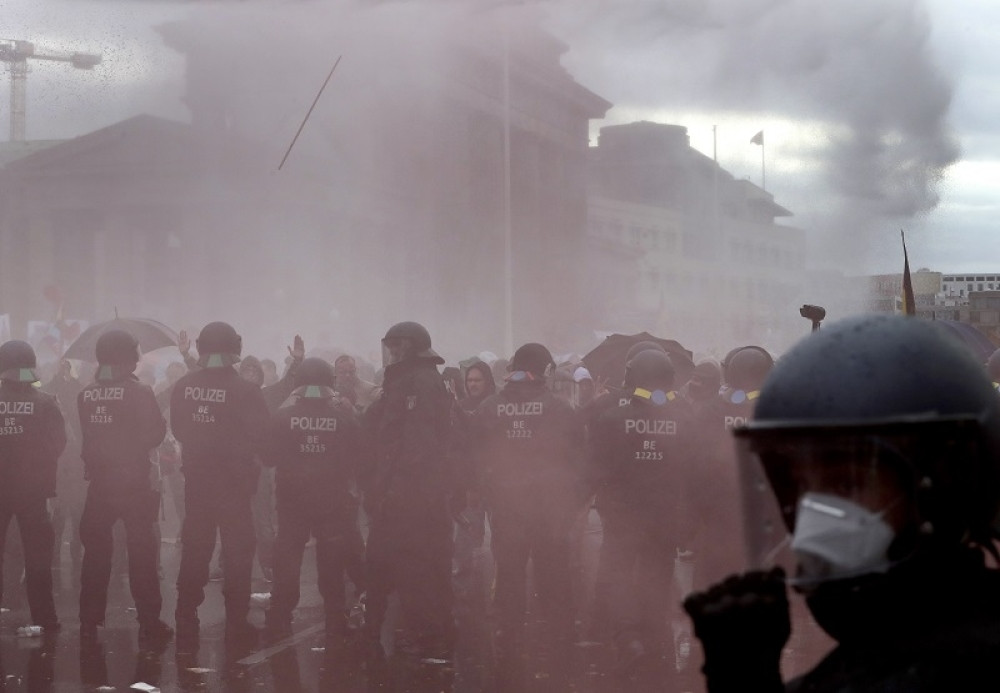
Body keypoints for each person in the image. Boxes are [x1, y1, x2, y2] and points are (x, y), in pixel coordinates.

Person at [683, 314, 1000, 693]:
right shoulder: (885, 650)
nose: (814, 514)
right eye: (797, 486)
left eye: (845, 481)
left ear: (950, 480)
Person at [471, 342, 585, 689]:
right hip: (550, 512)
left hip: (506, 510)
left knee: (509, 577)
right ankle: (559, 643)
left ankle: (508, 641)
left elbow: (475, 458)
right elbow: (578, 461)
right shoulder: (560, 409)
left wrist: (486, 493)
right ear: (543, 369)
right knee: (553, 580)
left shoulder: (489, 408)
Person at [587, 349, 695, 684]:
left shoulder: (611, 418)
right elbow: (692, 471)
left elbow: (597, 470)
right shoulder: (685, 418)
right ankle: (653, 641)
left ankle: (628, 639)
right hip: (665, 519)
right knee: (657, 577)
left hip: (623, 518)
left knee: (620, 576)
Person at [170, 321, 270, 647]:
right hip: (235, 487)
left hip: (197, 484)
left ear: (201, 348)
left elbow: (181, 430)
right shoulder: (246, 391)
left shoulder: (184, 386)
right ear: (235, 349)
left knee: (195, 550)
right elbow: (262, 440)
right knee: (238, 553)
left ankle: (185, 616)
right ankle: (237, 622)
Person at [361, 321, 455, 661]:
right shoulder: (402, 382)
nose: (391, 353)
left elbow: (418, 446)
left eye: (397, 346)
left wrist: (395, 492)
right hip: (399, 493)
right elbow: (379, 429)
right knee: (388, 564)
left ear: (412, 347)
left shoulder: (422, 382)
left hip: (411, 496)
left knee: (416, 567)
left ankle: (427, 636)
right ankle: (378, 629)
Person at [76, 329, 172, 647]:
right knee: (142, 556)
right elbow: (155, 434)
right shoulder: (140, 392)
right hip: (134, 485)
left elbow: (88, 438)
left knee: (96, 557)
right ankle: (149, 621)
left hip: (100, 486)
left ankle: (89, 622)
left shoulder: (85, 394)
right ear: (127, 356)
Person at [263, 357, 364, 643]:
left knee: (287, 558)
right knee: (331, 561)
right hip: (332, 502)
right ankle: (335, 619)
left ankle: (280, 618)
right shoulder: (343, 418)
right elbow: (360, 455)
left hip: (292, 502)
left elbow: (268, 457)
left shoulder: (282, 418)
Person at [0, 340, 65, 633]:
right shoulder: (46, 402)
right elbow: (58, 445)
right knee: (38, 559)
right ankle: (45, 618)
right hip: (34, 492)